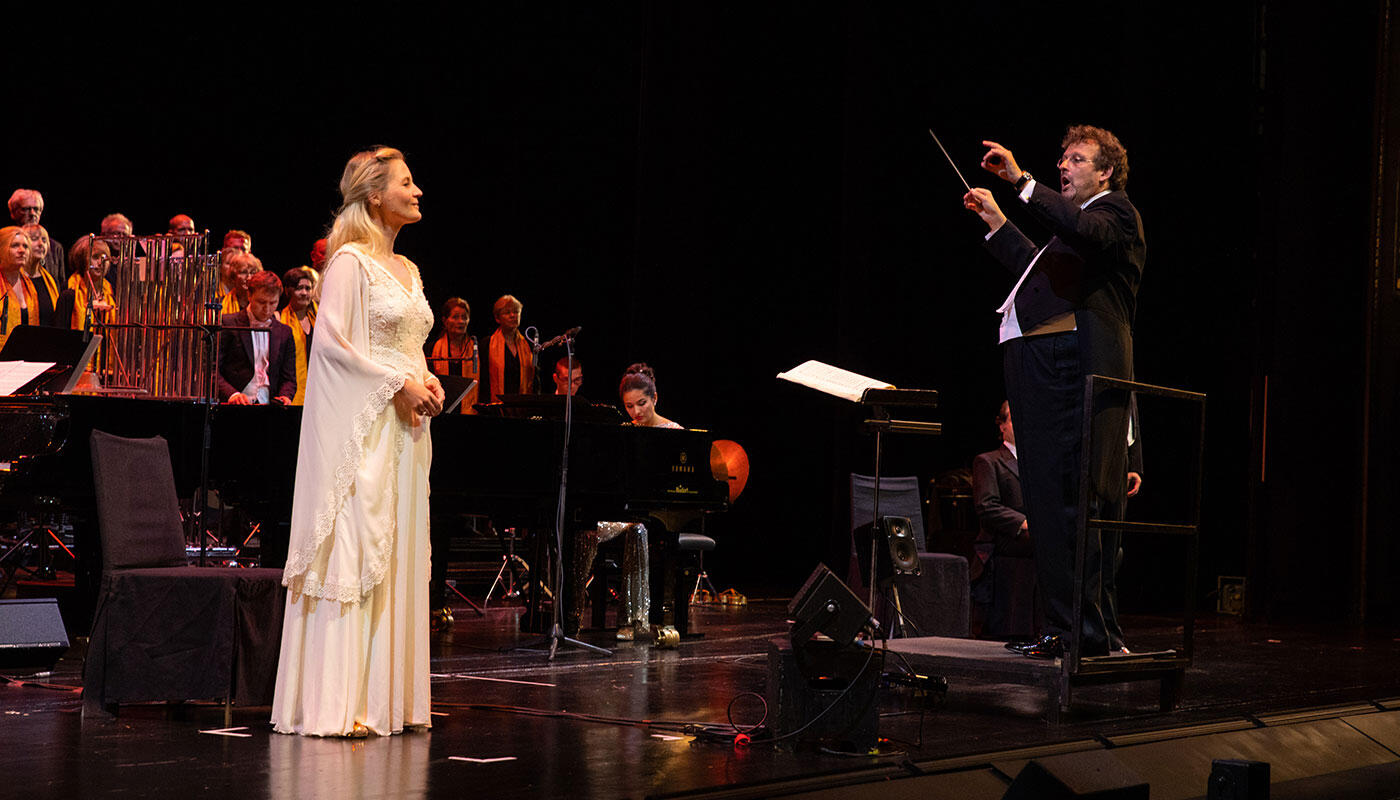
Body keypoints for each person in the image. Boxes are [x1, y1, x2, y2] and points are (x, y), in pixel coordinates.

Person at [272, 146, 442, 738]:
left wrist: (426, 377)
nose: (417, 191)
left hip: (405, 434)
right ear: (375, 196)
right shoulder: (349, 263)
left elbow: (408, 343)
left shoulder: (409, 270)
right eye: (406, 182)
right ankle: (343, 702)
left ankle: (390, 701)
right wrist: (396, 382)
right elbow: (332, 350)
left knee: (397, 552)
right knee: (358, 547)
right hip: (363, 434)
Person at [962, 124, 1145, 659]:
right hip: (1044, 368)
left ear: (1106, 171)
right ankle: (1072, 629)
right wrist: (997, 220)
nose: (1063, 166)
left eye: (1077, 159)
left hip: (1070, 368)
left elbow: (1081, 233)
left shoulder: (1116, 216)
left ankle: (1084, 634)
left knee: (1070, 501)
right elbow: (1037, 272)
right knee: (1050, 501)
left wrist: (1022, 181)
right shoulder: (1077, 235)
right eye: (1060, 158)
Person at [217, 271, 297, 405]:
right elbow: (212, 370)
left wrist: (285, 395)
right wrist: (232, 394)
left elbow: (289, 378)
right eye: (261, 302)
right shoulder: (228, 324)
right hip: (234, 407)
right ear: (249, 295)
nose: (267, 309)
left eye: (273, 303)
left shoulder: (285, 332)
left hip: (270, 408)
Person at [427, 297, 478, 413]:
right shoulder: (431, 349)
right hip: (440, 411)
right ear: (445, 321)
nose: (460, 321)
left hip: (470, 412)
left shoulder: (476, 351)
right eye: (455, 317)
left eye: (464, 317)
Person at [56, 236, 116, 335]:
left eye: (105, 258)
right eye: (95, 257)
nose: (101, 262)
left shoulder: (111, 294)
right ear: (82, 261)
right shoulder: (69, 295)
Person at [278, 267, 317, 405]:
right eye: (299, 288)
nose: (304, 293)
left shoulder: (319, 319)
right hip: (290, 392)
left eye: (308, 288)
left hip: (317, 388)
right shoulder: (279, 318)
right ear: (288, 290)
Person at [8, 189, 65, 283]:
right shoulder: (5, 243)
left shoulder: (54, 247)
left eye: (36, 209)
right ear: (13, 213)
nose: (32, 214)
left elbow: (61, 282)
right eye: (25, 209)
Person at [485, 294, 532, 402]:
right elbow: (484, 381)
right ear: (497, 318)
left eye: (516, 312)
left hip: (522, 406)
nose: (512, 315)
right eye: (507, 312)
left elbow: (534, 381)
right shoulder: (487, 344)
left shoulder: (528, 344)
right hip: (495, 406)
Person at [0, 227, 37, 352]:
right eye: (15, 246)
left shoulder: (29, 286)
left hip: (25, 359)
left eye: (26, 247)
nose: (22, 251)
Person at [21, 224, 61, 327]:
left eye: (44, 240)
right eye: (34, 239)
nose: (40, 244)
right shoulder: (13, 278)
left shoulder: (49, 280)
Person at [620, 363, 680, 429]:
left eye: (641, 403)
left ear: (654, 398)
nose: (636, 412)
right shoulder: (625, 429)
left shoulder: (674, 429)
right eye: (630, 406)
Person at [219, 250, 262, 315]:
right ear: (233, 277)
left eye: (253, 272)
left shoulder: (263, 304)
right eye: (243, 272)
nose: (249, 277)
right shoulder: (219, 304)